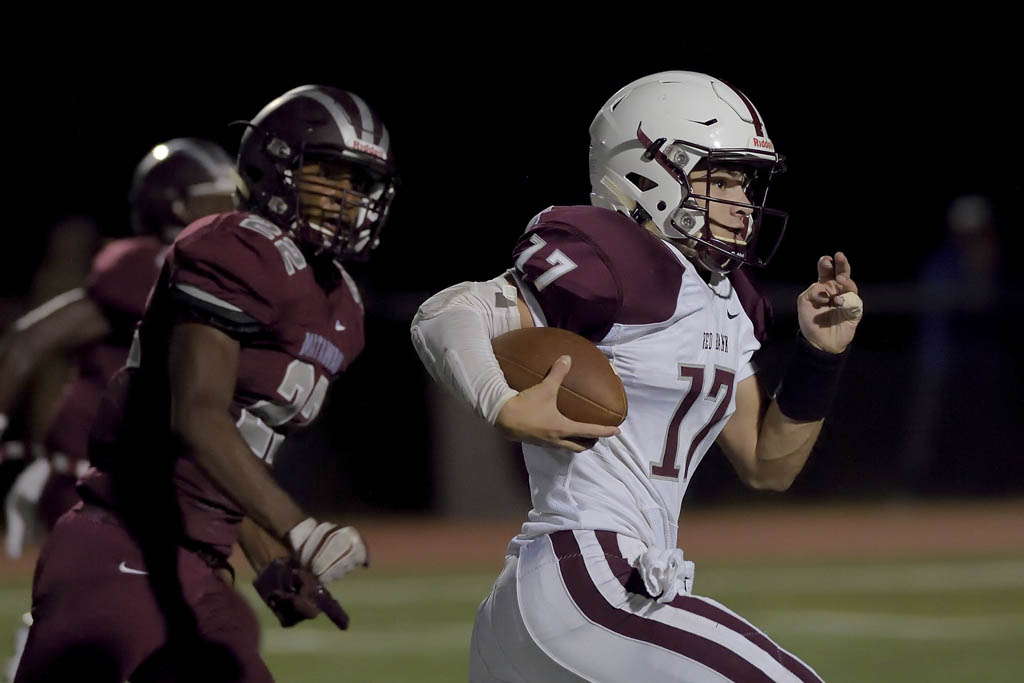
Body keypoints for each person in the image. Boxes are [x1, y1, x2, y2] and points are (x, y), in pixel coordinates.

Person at [411, 71, 862, 682]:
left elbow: (767, 463)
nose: (741, 203)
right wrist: (501, 404)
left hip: (603, 592)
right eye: (720, 178)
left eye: (745, 182)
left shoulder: (730, 299)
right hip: (584, 583)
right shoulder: (615, 258)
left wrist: (820, 356)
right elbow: (445, 313)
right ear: (649, 172)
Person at [13, 85, 399, 683]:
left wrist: (269, 559)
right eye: (328, 173)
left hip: (201, 561)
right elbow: (196, 417)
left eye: (358, 182)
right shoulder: (235, 248)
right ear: (276, 166)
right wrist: (301, 529)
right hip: (124, 546)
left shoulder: (341, 303)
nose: (347, 197)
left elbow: (223, 460)